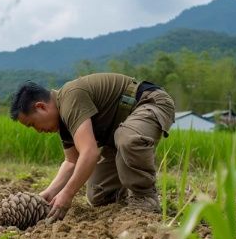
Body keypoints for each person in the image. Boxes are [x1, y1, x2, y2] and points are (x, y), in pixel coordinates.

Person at [10, 73, 175, 223]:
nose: (38, 130)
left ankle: (144, 197)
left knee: (128, 139)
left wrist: (67, 194)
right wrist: (47, 194)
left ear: (41, 107)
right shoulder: (64, 124)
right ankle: (125, 198)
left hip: (148, 102)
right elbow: (71, 162)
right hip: (119, 132)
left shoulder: (70, 97)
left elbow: (90, 153)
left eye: (32, 124)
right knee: (99, 194)